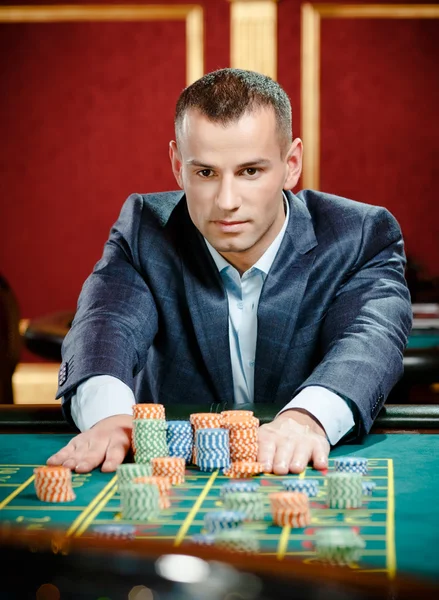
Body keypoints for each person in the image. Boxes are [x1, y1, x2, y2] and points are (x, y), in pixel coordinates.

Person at [47, 68, 412, 476]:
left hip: (298, 471)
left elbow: (369, 341)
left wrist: (306, 419)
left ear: (291, 164)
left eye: (250, 171)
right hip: (176, 485)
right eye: (205, 173)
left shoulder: (360, 235)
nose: (226, 201)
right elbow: (105, 324)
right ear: (177, 166)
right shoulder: (145, 229)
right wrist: (107, 418)